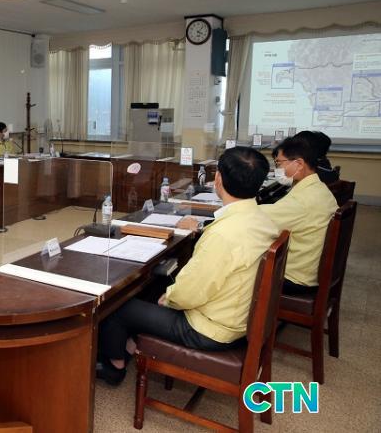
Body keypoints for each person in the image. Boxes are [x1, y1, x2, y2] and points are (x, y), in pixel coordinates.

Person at [96, 147, 279, 385]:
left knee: (119, 306)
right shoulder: (263, 220)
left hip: (209, 329)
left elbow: (189, 294)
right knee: (159, 282)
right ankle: (131, 345)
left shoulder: (223, 236)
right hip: (238, 317)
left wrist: (170, 298)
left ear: (218, 178)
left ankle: (115, 367)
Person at [261, 135, 338, 295]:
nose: (277, 169)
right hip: (309, 271)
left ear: (299, 164)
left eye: (279, 163)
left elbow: (255, 220)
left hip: (294, 278)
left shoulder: (301, 201)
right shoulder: (319, 188)